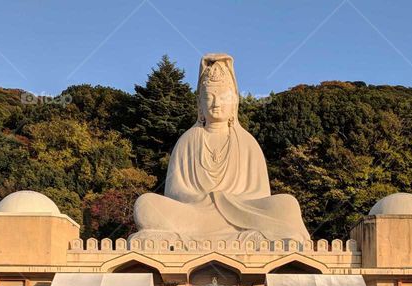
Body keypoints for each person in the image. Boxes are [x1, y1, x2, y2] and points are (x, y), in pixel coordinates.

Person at [131, 53, 311, 244]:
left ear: (234, 102)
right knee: (146, 204)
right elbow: (174, 192)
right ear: (200, 103)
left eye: (223, 97)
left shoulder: (247, 142)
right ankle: (247, 238)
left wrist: (226, 201)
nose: (216, 103)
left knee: (288, 204)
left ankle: (184, 238)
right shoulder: (188, 140)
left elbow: (260, 195)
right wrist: (208, 200)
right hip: (195, 215)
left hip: (241, 214)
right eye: (209, 97)